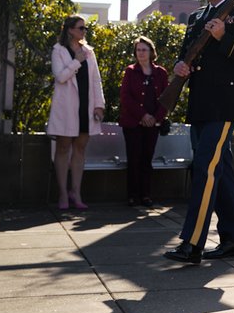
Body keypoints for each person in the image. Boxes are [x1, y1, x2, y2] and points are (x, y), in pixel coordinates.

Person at [164, 0, 234, 265]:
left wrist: (225, 38)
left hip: (224, 104)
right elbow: (187, 56)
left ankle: (192, 242)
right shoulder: (197, 17)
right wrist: (182, 67)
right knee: (222, 172)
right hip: (201, 104)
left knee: (205, 169)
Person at [46, 16, 106, 211]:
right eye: (81, 28)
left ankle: (76, 192)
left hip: (85, 107)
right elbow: (60, 76)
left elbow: (96, 80)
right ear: (70, 30)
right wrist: (75, 61)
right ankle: (63, 193)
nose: (84, 31)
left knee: (80, 149)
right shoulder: (59, 51)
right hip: (66, 107)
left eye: (85, 28)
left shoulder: (89, 52)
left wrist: (99, 104)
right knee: (63, 148)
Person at [119, 35, 169, 207]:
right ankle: (132, 195)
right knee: (134, 159)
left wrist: (155, 117)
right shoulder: (130, 71)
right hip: (133, 123)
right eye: (138, 50)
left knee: (147, 160)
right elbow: (125, 97)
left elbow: (166, 98)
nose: (141, 53)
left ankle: (146, 195)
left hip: (153, 124)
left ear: (151, 52)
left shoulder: (160, 73)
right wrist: (143, 115)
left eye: (144, 50)